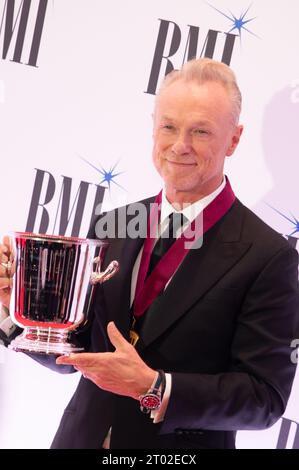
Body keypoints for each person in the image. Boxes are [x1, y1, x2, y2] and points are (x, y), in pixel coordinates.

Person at [0, 58, 299, 449]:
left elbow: (264, 400)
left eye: (201, 131)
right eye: (169, 127)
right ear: (153, 127)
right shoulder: (112, 225)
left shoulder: (269, 256)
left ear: (234, 139)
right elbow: (77, 350)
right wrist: (13, 311)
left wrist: (156, 388)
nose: (180, 146)